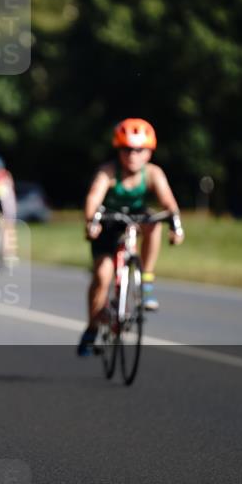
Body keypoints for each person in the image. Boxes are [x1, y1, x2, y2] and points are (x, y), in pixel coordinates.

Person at [77, 118, 184, 356]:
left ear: (149, 152)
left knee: (153, 221)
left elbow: (169, 203)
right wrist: (90, 221)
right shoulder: (109, 171)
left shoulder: (154, 173)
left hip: (136, 223)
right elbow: (93, 198)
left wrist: (176, 226)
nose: (133, 155)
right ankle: (93, 327)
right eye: (127, 149)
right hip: (107, 226)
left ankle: (146, 279)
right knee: (103, 276)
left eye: (139, 150)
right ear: (119, 149)